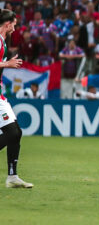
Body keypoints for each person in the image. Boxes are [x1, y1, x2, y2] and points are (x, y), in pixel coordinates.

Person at [0, 9, 33, 188]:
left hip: (0, 95)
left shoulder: (3, 41)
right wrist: (8, 63)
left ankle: (12, 177)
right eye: (14, 23)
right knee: (13, 133)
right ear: (7, 24)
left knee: (16, 133)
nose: (15, 27)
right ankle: (12, 177)